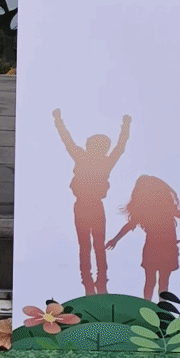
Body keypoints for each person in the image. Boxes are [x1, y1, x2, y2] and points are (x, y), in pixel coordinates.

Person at [52, 108, 129, 296]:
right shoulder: (87, 158)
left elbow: (119, 147)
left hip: (92, 206)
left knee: (93, 245)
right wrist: (58, 120)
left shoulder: (99, 161)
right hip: (85, 206)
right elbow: (67, 140)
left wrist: (126, 126)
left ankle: (99, 281)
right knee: (88, 245)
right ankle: (90, 281)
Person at [107, 175, 180, 302]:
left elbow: (129, 225)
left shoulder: (157, 208)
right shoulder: (155, 209)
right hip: (161, 247)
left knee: (154, 281)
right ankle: (152, 306)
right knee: (159, 282)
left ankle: (152, 306)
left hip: (162, 247)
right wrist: (115, 239)